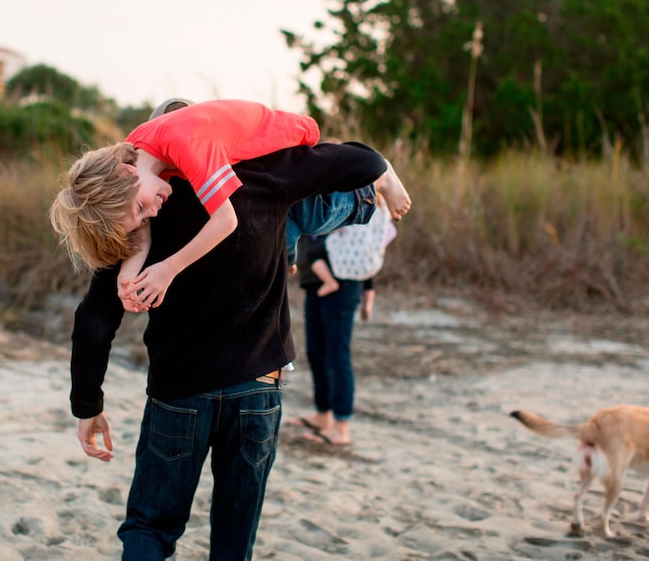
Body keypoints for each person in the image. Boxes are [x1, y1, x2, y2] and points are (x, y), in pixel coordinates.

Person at [65, 140, 392, 559]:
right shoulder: (260, 175)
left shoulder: (140, 208)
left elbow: (94, 318)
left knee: (150, 527)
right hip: (257, 387)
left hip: (179, 392)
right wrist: (381, 183)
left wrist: (88, 404)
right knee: (234, 541)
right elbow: (351, 170)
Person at [50, 99, 412, 312]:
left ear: (126, 173)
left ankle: (379, 180)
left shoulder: (184, 144)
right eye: (142, 215)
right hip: (238, 151)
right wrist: (129, 275)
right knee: (280, 232)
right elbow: (141, 226)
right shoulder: (139, 153)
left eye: (141, 208)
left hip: (280, 140)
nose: (152, 214)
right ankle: (286, 251)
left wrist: (168, 269)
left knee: (313, 213)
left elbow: (226, 221)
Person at [288, 193, 397, 446]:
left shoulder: (356, 202)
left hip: (344, 284)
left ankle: (341, 425)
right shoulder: (325, 197)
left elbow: (364, 250)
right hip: (316, 284)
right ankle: (323, 415)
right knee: (316, 351)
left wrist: (368, 292)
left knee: (337, 354)